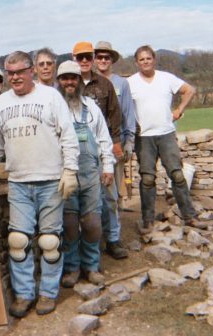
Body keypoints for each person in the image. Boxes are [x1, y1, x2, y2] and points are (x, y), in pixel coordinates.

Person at [0, 51, 79, 317]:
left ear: (31, 71)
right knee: (18, 240)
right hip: (19, 182)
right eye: (9, 72)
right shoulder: (2, 102)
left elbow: (68, 136)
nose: (14, 77)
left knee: (49, 241)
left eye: (19, 71)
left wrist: (70, 169)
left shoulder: (50, 97)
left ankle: (48, 293)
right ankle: (25, 294)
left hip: (50, 180)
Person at [128, 45, 207, 233]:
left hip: (166, 134)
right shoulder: (130, 82)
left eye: (148, 58)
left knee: (177, 175)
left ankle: (189, 216)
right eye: (141, 59)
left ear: (153, 59)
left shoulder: (166, 78)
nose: (145, 62)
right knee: (147, 178)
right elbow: (122, 107)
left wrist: (179, 110)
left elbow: (190, 90)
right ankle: (147, 219)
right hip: (144, 137)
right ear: (136, 62)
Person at [56, 61, 115, 288]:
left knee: (91, 222)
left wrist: (107, 166)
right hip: (64, 173)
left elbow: (103, 138)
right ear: (59, 82)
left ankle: (91, 265)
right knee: (69, 223)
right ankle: (72, 268)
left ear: (80, 81)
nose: (69, 82)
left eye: (73, 78)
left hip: (91, 172)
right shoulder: (54, 106)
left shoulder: (91, 107)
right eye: (64, 78)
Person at [72, 41, 127, 259]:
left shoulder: (104, 84)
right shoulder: (67, 84)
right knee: (79, 201)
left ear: (93, 58)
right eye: (80, 57)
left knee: (109, 197)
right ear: (74, 59)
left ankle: (113, 238)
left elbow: (114, 115)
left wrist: (116, 143)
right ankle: (85, 244)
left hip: (102, 148)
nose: (84, 61)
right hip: (77, 152)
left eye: (88, 57)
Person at [94, 41, 136, 259]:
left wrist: (129, 141)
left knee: (112, 195)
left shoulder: (122, 84)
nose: (102, 60)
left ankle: (113, 237)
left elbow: (128, 112)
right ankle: (95, 238)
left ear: (112, 60)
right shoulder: (88, 83)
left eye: (106, 57)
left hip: (114, 144)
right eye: (99, 56)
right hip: (90, 147)